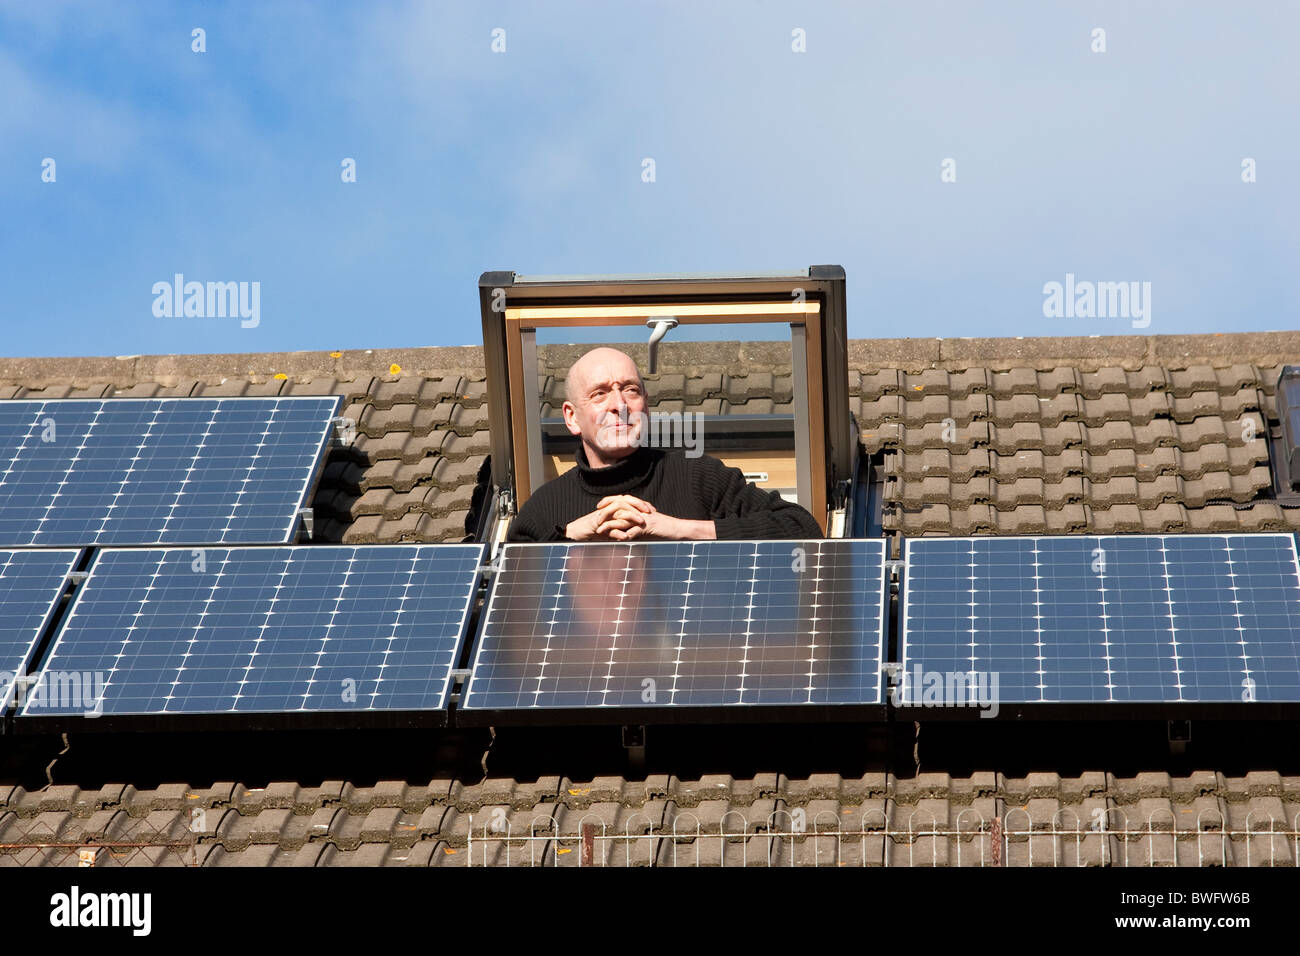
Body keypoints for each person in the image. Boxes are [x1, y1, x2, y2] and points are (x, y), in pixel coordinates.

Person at [507, 347, 823, 542]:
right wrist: (571, 536)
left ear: (646, 404)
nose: (620, 404)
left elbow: (801, 530)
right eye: (600, 393)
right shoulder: (544, 508)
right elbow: (509, 600)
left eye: (630, 390)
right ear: (571, 417)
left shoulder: (699, 478)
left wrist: (678, 530)